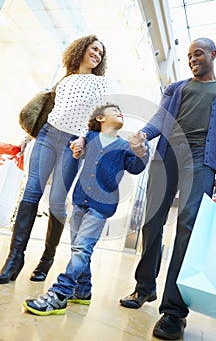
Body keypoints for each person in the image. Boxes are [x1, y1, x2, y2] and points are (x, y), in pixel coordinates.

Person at [119, 37, 216, 340]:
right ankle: (144, 288)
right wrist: (143, 133)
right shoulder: (177, 88)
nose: (193, 60)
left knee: (187, 224)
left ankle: (173, 313)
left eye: (198, 54)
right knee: (151, 221)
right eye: (189, 56)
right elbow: (160, 117)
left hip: (202, 159)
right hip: (169, 153)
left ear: (213, 54)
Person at [0, 34, 108, 284]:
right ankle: (15, 258)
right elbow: (49, 112)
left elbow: (96, 116)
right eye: (93, 49)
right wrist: (27, 138)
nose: (96, 55)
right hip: (48, 136)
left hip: (72, 142)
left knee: (57, 200)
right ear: (81, 49)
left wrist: (83, 138)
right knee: (30, 193)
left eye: (100, 53)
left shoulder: (99, 83)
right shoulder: (65, 80)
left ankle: (46, 259)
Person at [23, 103, 149, 316]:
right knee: (79, 248)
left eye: (122, 111)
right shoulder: (89, 137)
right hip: (80, 200)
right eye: (115, 110)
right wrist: (77, 145)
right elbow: (77, 145)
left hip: (102, 205)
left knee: (82, 249)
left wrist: (141, 153)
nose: (120, 113)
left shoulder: (124, 146)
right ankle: (82, 291)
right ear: (100, 118)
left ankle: (60, 294)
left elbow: (136, 168)